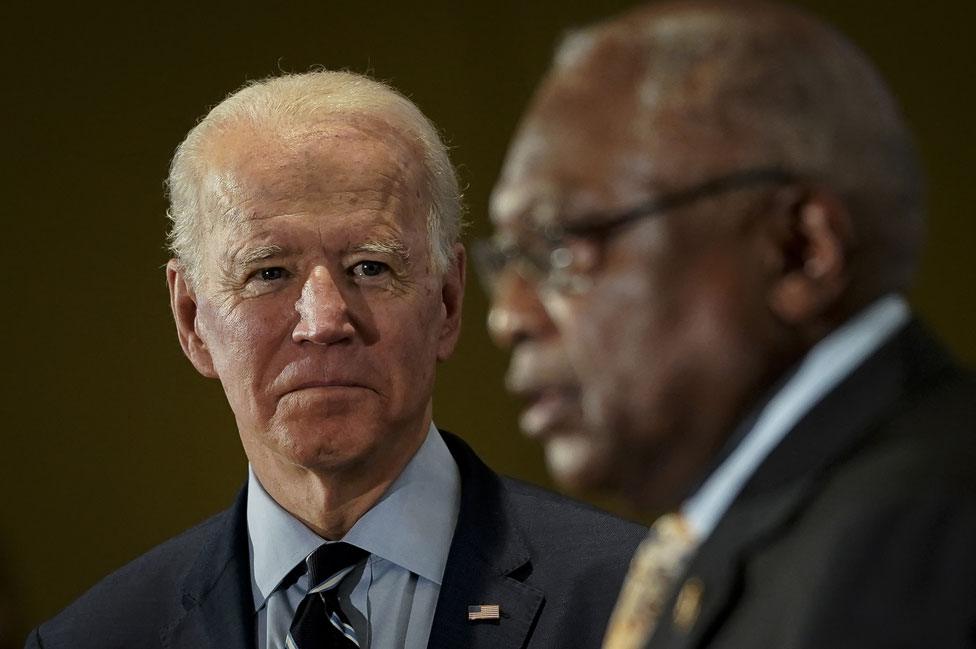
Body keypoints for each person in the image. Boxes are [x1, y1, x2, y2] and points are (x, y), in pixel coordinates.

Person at [26, 70, 644, 649]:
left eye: (370, 268)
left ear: (448, 303)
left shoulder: (636, 606)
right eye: (268, 273)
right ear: (192, 320)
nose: (324, 322)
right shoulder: (92, 637)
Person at [480, 2, 976, 647]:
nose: (508, 316)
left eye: (561, 247)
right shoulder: (732, 544)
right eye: (508, 258)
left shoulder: (934, 535)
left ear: (797, 250)